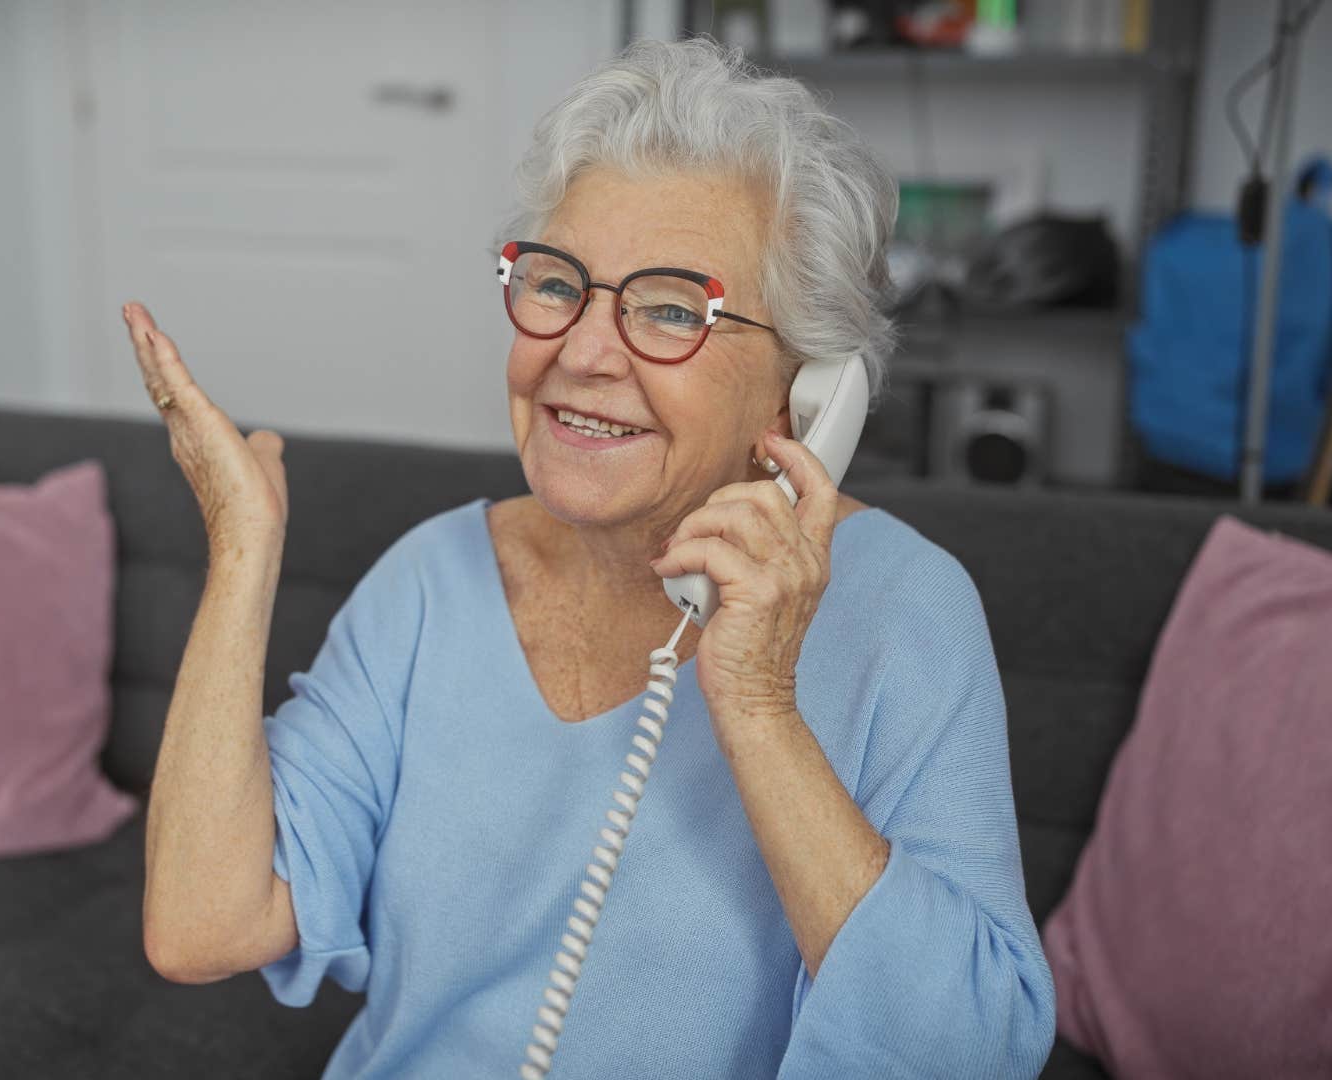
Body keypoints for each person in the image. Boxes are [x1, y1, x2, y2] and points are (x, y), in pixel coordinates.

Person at [128, 37, 1054, 1079]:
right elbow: (201, 928)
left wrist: (758, 708)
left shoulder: (904, 609)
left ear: (802, 391)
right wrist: (243, 550)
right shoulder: (433, 581)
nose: (582, 351)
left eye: (671, 309)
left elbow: (971, 1054)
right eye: (557, 283)